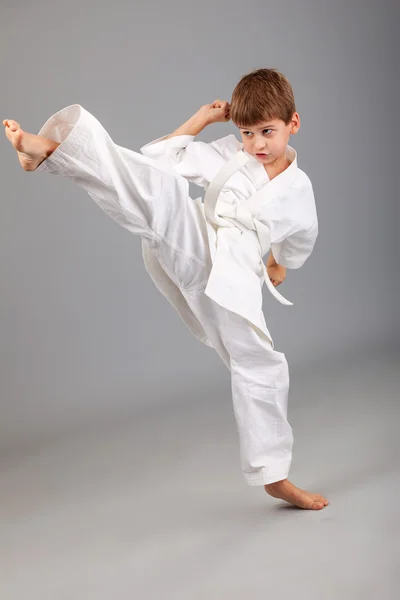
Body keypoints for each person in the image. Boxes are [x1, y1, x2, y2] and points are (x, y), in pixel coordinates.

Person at [3, 68, 328, 510]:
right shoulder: (232, 153)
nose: (257, 145)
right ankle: (53, 150)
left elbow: (301, 236)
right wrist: (199, 120)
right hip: (197, 235)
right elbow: (159, 158)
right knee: (159, 192)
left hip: (234, 274)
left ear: (294, 123)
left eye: (267, 132)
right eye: (247, 132)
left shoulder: (299, 189)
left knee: (261, 364)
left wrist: (279, 264)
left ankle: (274, 475)